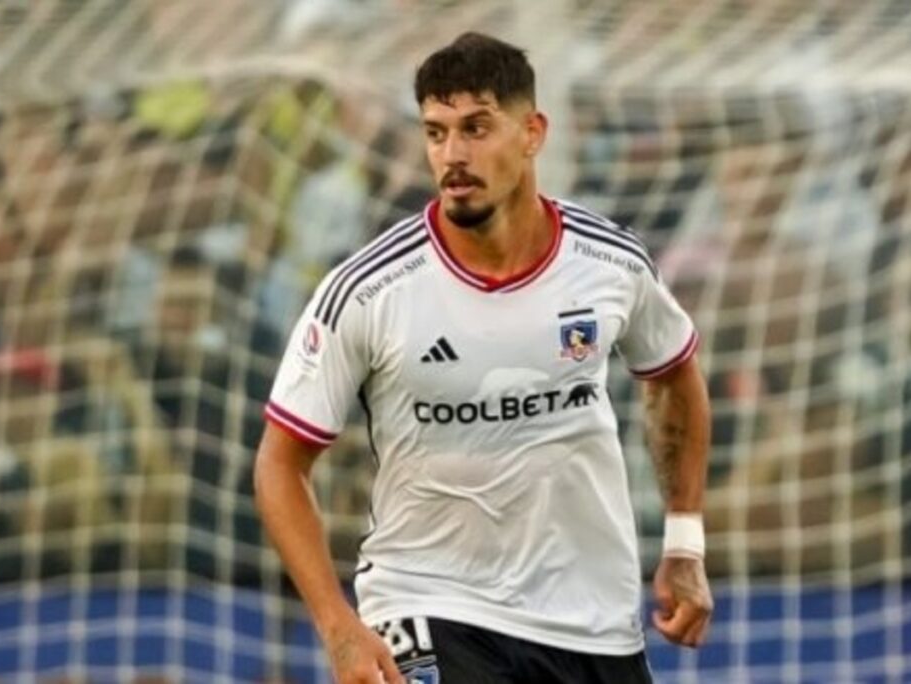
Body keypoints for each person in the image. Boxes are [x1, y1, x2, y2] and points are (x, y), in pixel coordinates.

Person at [255, 32, 713, 684]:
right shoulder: (370, 289)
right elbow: (279, 463)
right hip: (428, 604)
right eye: (436, 133)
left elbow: (672, 379)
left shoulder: (609, 264)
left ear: (532, 132)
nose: (453, 155)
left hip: (593, 619)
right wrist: (338, 626)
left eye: (476, 128)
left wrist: (685, 543)